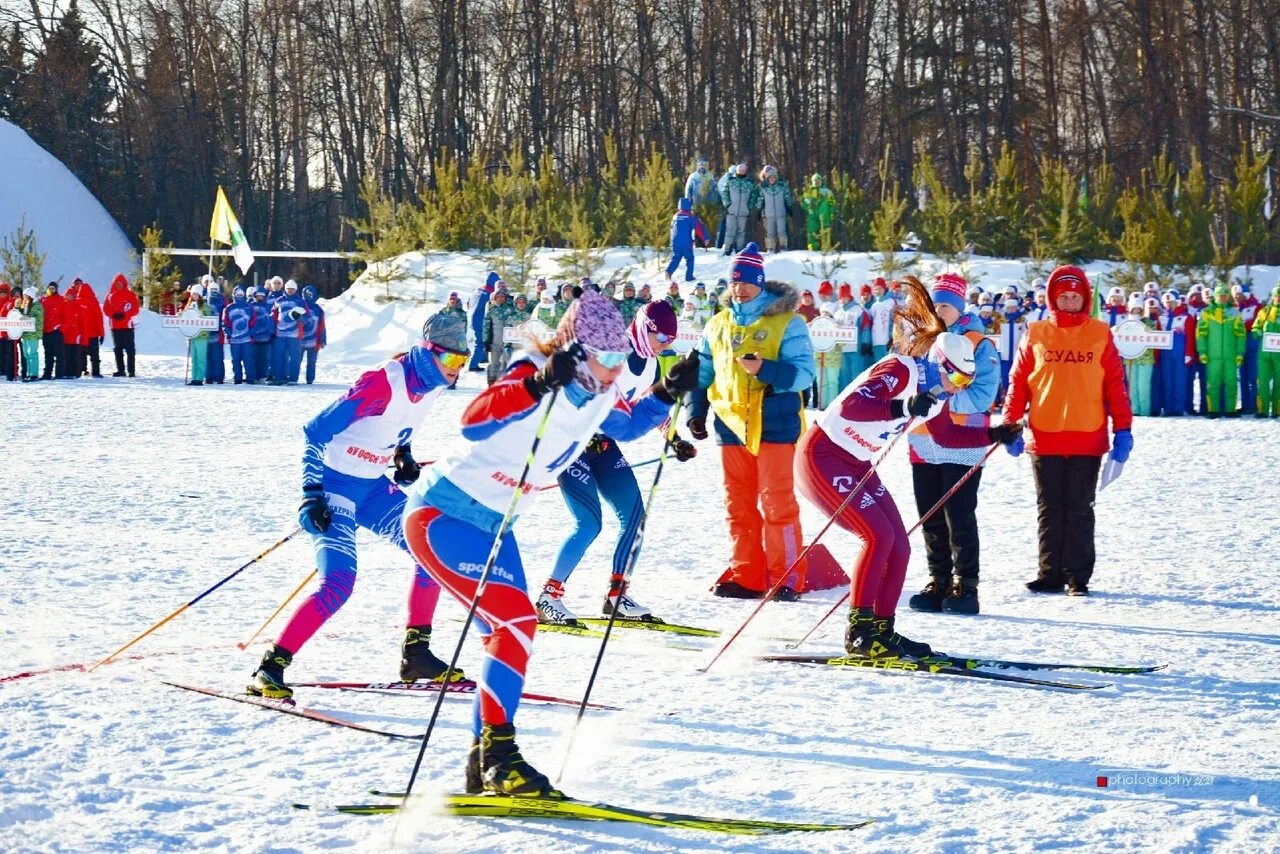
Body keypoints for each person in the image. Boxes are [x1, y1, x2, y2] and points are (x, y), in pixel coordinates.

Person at [401, 290, 691, 797]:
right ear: (577, 349)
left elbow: (628, 423)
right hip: (442, 513)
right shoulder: (534, 367)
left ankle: (482, 761)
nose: (613, 370)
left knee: (510, 629)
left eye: (622, 358)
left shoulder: (601, 391)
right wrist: (536, 385)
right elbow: (474, 421)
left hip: (496, 523)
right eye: (606, 359)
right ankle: (499, 755)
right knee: (516, 620)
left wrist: (666, 391)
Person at [248, 312, 473, 701]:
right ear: (428, 352)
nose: (458, 370)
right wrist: (310, 492)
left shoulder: (432, 383)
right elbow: (315, 431)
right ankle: (269, 668)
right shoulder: (381, 383)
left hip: (372, 487)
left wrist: (403, 456)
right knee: (338, 584)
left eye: (464, 361)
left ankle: (416, 654)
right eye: (452, 360)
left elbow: (399, 426)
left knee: (432, 551)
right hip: (335, 486)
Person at [796, 284, 1023, 658]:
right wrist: (902, 408)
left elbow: (949, 434)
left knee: (898, 542)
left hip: (856, 463)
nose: (956, 388)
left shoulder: (933, 400)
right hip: (822, 456)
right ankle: (861, 631)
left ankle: (883, 629)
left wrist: (993, 433)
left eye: (965, 383)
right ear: (938, 363)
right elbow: (854, 406)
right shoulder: (900, 369)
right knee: (877, 537)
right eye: (956, 379)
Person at [538, 300, 699, 624]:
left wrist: (674, 438)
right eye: (662, 338)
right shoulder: (612, 351)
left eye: (671, 340)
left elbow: (644, 408)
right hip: (572, 445)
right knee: (589, 523)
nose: (665, 346)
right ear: (644, 328)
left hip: (605, 444)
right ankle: (548, 597)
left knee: (634, 517)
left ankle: (617, 596)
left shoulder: (652, 365)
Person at [687, 243, 815, 599]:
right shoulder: (717, 324)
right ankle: (747, 575)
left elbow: (804, 375)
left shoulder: (788, 322)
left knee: (777, 503)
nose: (739, 288)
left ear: (760, 283)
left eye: (746, 282)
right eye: (734, 282)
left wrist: (766, 370)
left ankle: (786, 577)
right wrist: (695, 412)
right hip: (730, 425)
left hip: (774, 422)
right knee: (738, 505)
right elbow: (702, 371)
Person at [1002, 265, 1133, 596]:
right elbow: (1018, 383)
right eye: (1064, 296)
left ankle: (1077, 576)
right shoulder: (1035, 333)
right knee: (1049, 507)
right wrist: (1010, 424)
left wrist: (1123, 429)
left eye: (1076, 296)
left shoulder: (1100, 333)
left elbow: (1116, 385)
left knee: (1078, 508)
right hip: (1044, 436)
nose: (1071, 301)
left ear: (1086, 298)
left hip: (1087, 437)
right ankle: (1049, 574)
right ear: (1052, 299)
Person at [906, 272, 1003, 615]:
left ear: (959, 308)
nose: (937, 311)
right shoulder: (917, 340)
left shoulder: (978, 342)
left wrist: (946, 401)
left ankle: (966, 585)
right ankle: (939, 580)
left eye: (945, 305)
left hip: (963, 439)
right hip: (923, 440)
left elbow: (985, 393)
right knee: (930, 513)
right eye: (933, 304)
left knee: (958, 514)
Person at [1196, 285, 1246, 418]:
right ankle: (1213, 410)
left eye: (1225, 295)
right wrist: (1202, 351)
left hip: (1230, 355)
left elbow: (1241, 334)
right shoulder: (1207, 312)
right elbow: (1201, 333)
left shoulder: (1234, 312)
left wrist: (1240, 353)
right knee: (1212, 384)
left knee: (1231, 383)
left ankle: (1231, 410)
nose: (1223, 298)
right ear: (1215, 296)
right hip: (1213, 356)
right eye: (1220, 295)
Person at [1152, 290, 1190, 416]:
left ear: (1177, 302)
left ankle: (1178, 408)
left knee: (1179, 381)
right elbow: (1157, 337)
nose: (1169, 305)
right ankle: (1168, 408)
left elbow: (1190, 337)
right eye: (1166, 302)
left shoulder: (1185, 317)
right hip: (1165, 355)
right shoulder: (1161, 318)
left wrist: (1189, 354)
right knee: (1167, 381)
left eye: (1171, 302)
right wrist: (1156, 356)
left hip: (1180, 355)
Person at [1123, 296, 1157, 416]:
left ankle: (1144, 411)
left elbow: (1155, 338)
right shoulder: (1126, 322)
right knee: (1132, 387)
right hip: (1130, 359)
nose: (1136, 311)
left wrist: (1147, 330)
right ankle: (1135, 410)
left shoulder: (1149, 322)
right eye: (1134, 308)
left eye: (1139, 308)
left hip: (1145, 359)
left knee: (1143, 386)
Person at [270, 280, 308, 385]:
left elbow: (307, 316)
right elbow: (273, 314)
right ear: (285, 289)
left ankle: (293, 379)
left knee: (294, 357)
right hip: (280, 333)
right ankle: (279, 378)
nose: (290, 291)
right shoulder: (278, 300)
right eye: (288, 289)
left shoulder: (300, 301)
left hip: (294, 334)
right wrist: (272, 328)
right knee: (279, 356)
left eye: (292, 289)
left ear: (295, 290)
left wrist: (300, 319)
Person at [666, 195, 708, 284]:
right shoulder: (690, 217)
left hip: (674, 243)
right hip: (686, 243)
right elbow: (699, 227)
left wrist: (671, 243)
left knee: (676, 258)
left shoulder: (675, 217)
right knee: (690, 258)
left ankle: (668, 271)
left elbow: (671, 230)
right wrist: (705, 238)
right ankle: (689, 276)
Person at [103, 274, 139, 377]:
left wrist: (125, 315)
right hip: (115, 327)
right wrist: (113, 315)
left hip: (127, 326)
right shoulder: (110, 295)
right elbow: (106, 309)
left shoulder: (130, 294)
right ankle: (121, 370)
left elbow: (135, 309)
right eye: (117, 284)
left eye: (121, 284)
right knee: (117, 349)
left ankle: (131, 370)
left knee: (130, 349)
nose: (119, 285)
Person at [483, 287, 520, 386]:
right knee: (493, 364)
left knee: (505, 364)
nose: (500, 298)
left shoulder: (511, 309)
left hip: (508, 342)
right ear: (495, 298)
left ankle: (502, 384)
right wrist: (486, 341)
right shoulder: (491, 310)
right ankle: (491, 383)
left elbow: (516, 322)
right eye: (498, 296)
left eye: (502, 296)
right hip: (495, 341)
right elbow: (486, 327)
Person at [1234, 283, 1261, 414]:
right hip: (1240, 345)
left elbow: (1257, 323)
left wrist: (1244, 326)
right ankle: (1245, 405)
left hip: (1253, 345)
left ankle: (1253, 405)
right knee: (1242, 377)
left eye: (1239, 294)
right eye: (1235, 295)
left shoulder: (1256, 306)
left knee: (1252, 377)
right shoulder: (1236, 309)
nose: (1237, 297)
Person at [1253, 286, 1280, 418]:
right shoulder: (1265, 311)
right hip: (1264, 354)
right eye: (1277, 296)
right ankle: (1262, 410)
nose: (1279, 298)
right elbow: (1256, 325)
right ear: (1273, 297)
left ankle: (1277, 410)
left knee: (1279, 383)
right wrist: (1257, 331)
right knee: (1262, 382)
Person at [721, 163, 757, 256]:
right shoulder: (730, 181)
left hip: (743, 211)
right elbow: (724, 192)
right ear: (737, 171)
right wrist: (727, 204)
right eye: (740, 170)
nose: (742, 172)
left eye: (744, 170)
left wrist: (750, 206)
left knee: (741, 231)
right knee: (730, 230)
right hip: (731, 210)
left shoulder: (749, 183)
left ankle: (739, 249)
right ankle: (727, 249)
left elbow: (753, 195)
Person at [755, 165, 793, 253]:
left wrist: (789, 207)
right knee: (770, 233)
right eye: (770, 178)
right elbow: (760, 200)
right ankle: (770, 248)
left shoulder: (782, 187)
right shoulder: (764, 189)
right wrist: (758, 210)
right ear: (767, 179)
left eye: (773, 178)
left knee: (782, 231)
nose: (772, 179)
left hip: (781, 213)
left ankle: (783, 247)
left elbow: (787, 198)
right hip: (768, 214)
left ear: (776, 178)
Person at [222, 286, 255, 384]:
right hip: (234, 339)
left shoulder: (249, 308)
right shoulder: (229, 308)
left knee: (248, 359)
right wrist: (228, 333)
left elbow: (254, 321)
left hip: (247, 339)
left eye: (241, 294)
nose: (239, 296)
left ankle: (250, 377)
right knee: (235, 360)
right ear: (234, 295)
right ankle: (237, 377)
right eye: (238, 294)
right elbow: (225, 322)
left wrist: (251, 332)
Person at [182, 285, 213, 385]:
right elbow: (185, 316)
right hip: (192, 336)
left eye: (197, 294)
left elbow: (209, 318)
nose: (195, 296)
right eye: (193, 294)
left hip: (202, 335)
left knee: (201, 357)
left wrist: (202, 315)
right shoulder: (189, 305)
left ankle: (199, 378)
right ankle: (194, 377)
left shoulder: (204, 306)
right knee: (194, 358)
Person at [467, 272, 498, 371]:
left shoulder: (477, 291)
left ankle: (481, 358)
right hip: (480, 320)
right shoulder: (488, 294)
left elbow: (468, 303)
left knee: (482, 341)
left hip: (472, 318)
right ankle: (473, 365)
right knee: (480, 343)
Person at [248, 285, 275, 383]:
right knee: (253, 358)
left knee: (264, 359)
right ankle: (253, 376)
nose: (260, 297)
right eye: (257, 295)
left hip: (265, 337)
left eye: (261, 295)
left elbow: (272, 321)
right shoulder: (250, 306)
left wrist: (272, 333)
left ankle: (263, 376)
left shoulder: (269, 307)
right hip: (253, 337)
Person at [299, 284, 326, 384]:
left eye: (310, 294)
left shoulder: (318, 309)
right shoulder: (299, 306)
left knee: (312, 361)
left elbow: (322, 325)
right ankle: (294, 377)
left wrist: (322, 339)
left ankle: (310, 379)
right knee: (297, 360)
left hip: (313, 340)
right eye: (306, 294)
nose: (308, 296)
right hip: (299, 340)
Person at [801, 173, 835, 250]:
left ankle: (826, 249)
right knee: (812, 233)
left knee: (825, 232)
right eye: (815, 181)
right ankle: (813, 249)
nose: (817, 182)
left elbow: (832, 203)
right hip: (812, 216)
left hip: (825, 216)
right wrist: (809, 208)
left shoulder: (827, 191)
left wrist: (832, 212)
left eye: (818, 180)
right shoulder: (808, 191)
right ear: (812, 181)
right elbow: (804, 202)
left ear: (821, 181)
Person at [39, 282, 65, 380]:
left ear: (56, 289)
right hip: (46, 331)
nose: (51, 290)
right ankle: (47, 374)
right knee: (48, 354)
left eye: (53, 288)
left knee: (59, 354)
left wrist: (61, 328)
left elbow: (66, 316)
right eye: (49, 288)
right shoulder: (43, 300)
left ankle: (59, 374)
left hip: (56, 331)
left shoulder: (61, 299)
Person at [17, 287, 42, 380]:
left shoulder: (37, 306)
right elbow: (21, 315)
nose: (24, 297)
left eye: (26, 296)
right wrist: (18, 308)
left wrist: (28, 318)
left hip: (33, 334)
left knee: (32, 353)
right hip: (25, 333)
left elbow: (38, 319)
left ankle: (34, 374)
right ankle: (28, 373)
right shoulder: (26, 305)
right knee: (26, 354)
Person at [60, 281, 83, 379]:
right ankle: (66, 372)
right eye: (67, 295)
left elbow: (82, 321)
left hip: (75, 334)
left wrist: (82, 333)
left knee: (75, 354)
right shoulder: (63, 305)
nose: (69, 297)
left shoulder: (78, 306)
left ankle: (76, 372)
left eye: (71, 295)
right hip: (65, 334)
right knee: (66, 354)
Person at [205, 280, 227, 384]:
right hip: (206, 333)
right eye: (211, 289)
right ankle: (209, 376)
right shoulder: (205, 301)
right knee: (208, 357)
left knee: (218, 357)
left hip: (218, 333)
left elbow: (225, 315)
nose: (213, 291)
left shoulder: (222, 302)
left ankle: (219, 377)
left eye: (215, 289)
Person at [869, 278, 894, 360]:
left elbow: (895, 321)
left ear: (884, 289)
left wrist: (892, 338)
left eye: (880, 289)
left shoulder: (891, 302)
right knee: (878, 367)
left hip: (887, 342)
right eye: (875, 289)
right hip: (876, 343)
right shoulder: (874, 306)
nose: (878, 291)